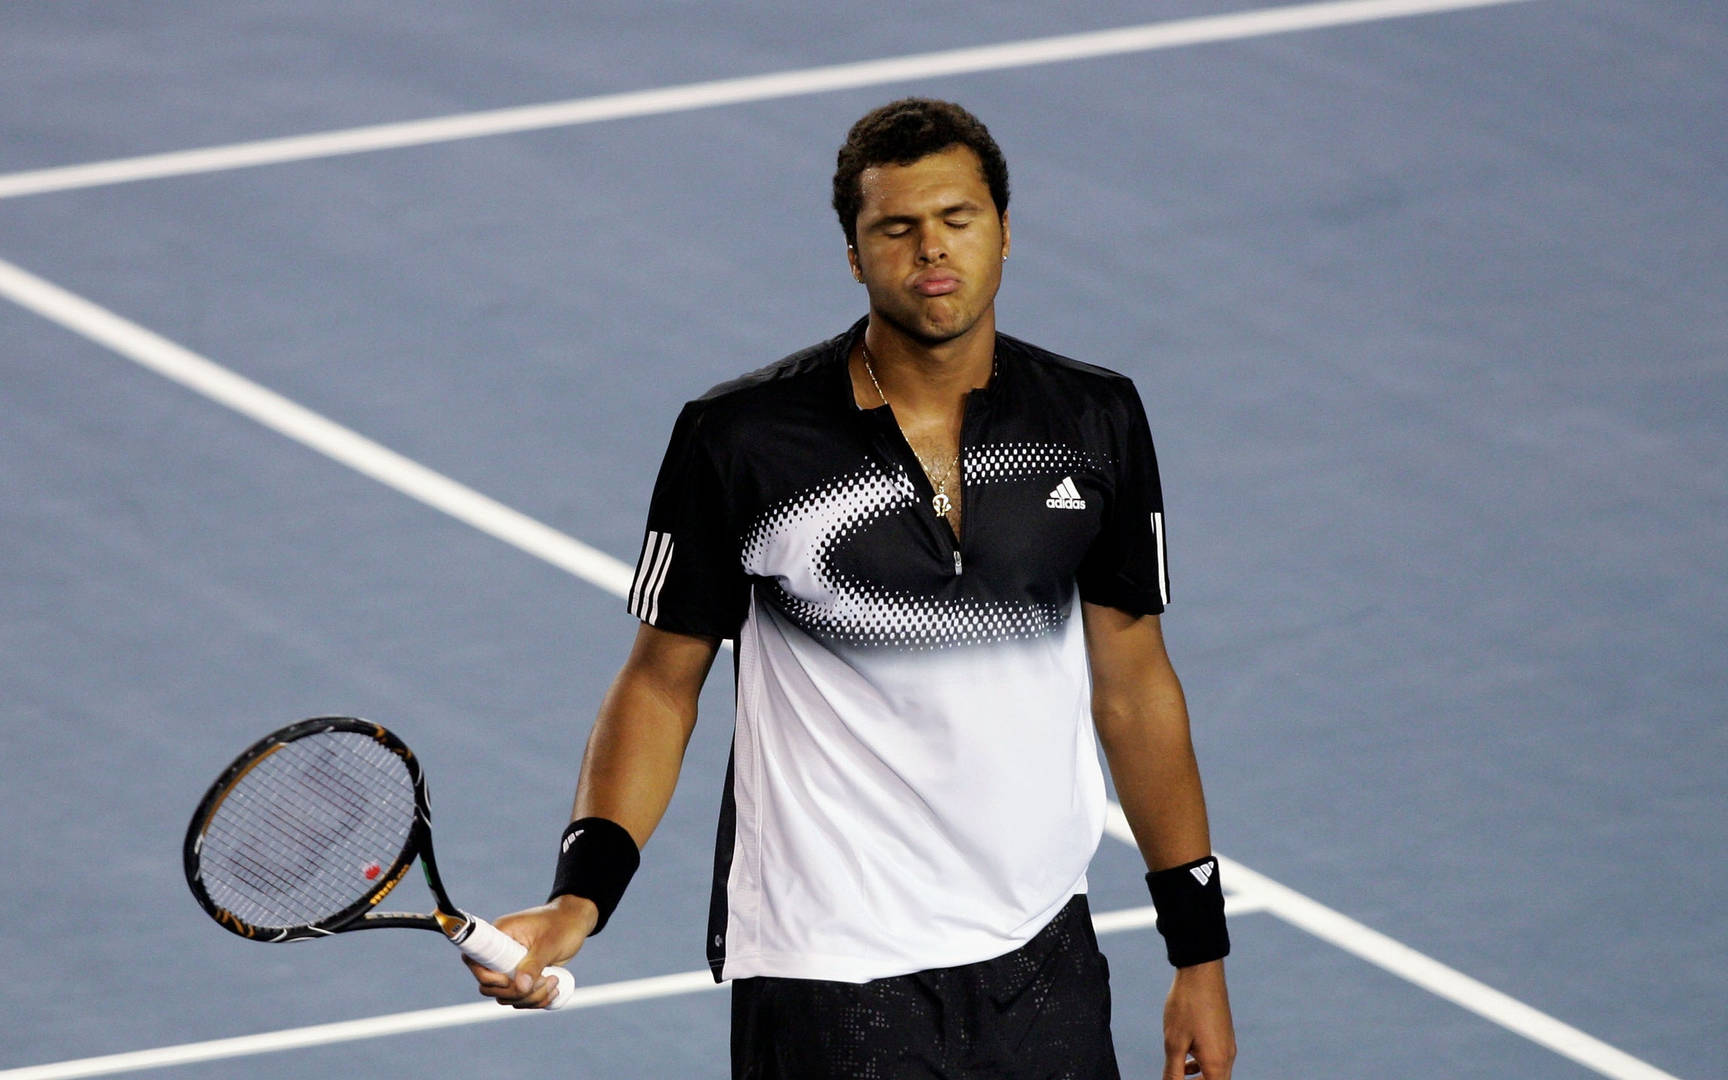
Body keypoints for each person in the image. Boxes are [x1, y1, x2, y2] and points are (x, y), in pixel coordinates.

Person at [467, 98, 1237, 1080]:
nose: (932, 250)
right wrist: (582, 895)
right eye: (896, 227)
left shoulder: (1094, 418)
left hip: (1042, 950)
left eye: (957, 218)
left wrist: (1199, 956)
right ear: (853, 253)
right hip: (829, 969)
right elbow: (659, 683)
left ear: (1005, 230)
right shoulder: (742, 440)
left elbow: (1134, 688)